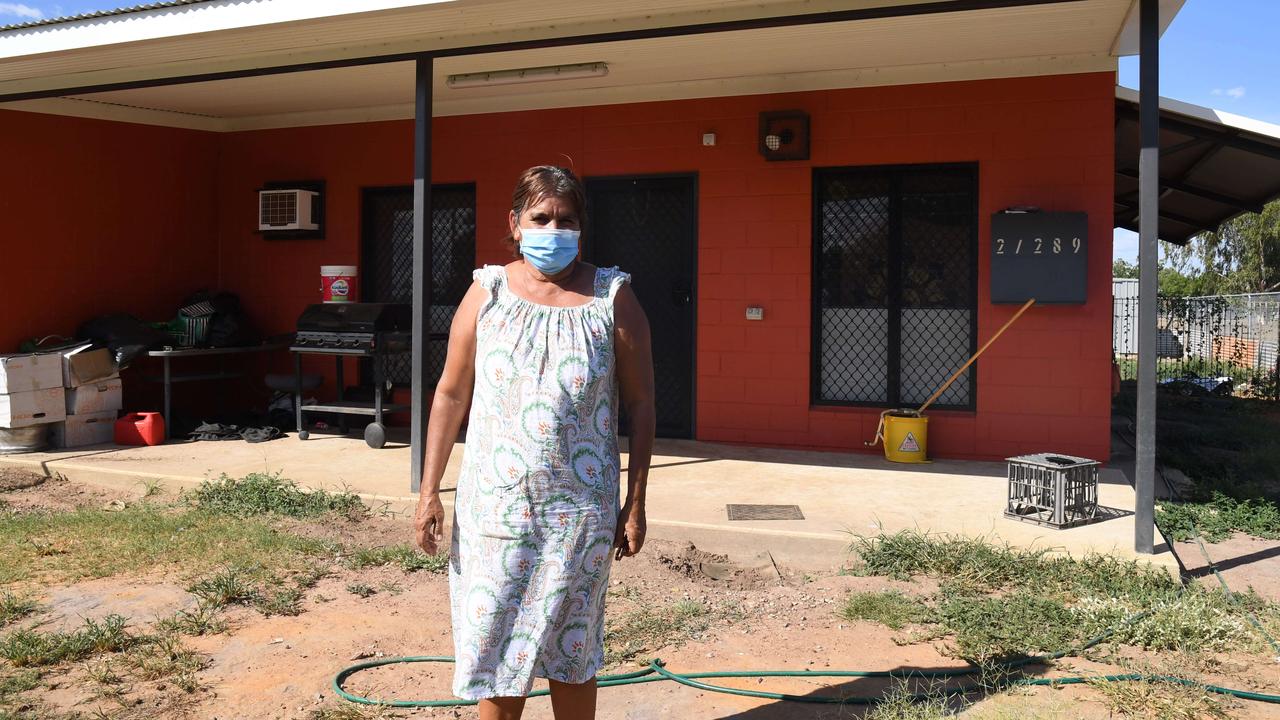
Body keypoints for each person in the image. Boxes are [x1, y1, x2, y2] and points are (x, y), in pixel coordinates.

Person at [414, 165, 655, 720]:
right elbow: (451, 395)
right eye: (540, 217)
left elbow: (642, 406)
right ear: (515, 224)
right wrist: (429, 491)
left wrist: (635, 503)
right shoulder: (487, 293)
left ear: (582, 227)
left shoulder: (612, 299)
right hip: (495, 517)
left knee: (573, 657)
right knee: (499, 659)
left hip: (578, 518)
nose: (553, 228)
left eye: (566, 219)